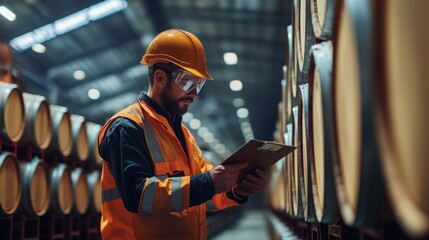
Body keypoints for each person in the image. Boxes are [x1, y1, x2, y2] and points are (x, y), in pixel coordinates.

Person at [98, 29, 267, 240]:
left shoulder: (184, 134)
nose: (194, 93)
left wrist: (237, 189)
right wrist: (207, 183)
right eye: (187, 82)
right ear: (159, 77)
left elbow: (200, 197)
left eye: (198, 84)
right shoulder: (127, 127)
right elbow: (138, 195)